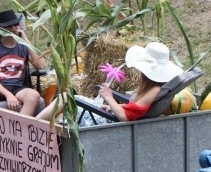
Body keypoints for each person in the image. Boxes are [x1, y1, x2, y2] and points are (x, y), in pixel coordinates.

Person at [36, 41, 183, 125]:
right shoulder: (154, 88)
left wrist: (109, 97)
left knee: (65, 99)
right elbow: (134, 109)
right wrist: (114, 105)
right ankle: (31, 124)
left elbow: (125, 117)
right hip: (108, 114)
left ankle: (29, 124)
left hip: (107, 122)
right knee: (60, 112)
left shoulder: (154, 91)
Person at [0, 9, 47, 116]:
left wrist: (25, 39)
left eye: (16, 24)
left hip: (17, 87)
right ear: (0, 28)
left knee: (34, 95)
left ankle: (20, 127)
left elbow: (41, 66)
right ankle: (0, 126)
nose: (14, 27)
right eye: (9, 26)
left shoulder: (23, 47)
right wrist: (8, 95)